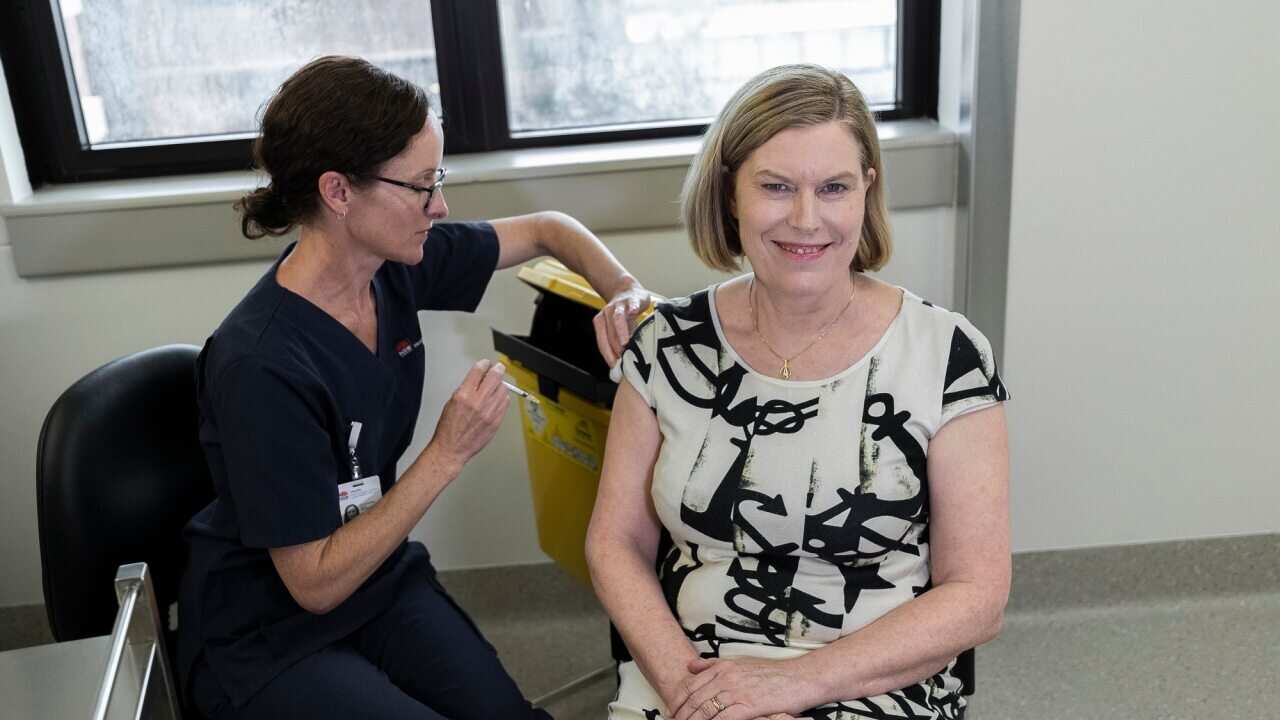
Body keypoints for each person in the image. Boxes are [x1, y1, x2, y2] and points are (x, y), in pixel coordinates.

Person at [177, 55, 649, 720]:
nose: (441, 205)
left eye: (441, 179)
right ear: (339, 193)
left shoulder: (395, 266)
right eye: (422, 186)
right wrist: (446, 454)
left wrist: (625, 290)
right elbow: (312, 584)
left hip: (376, 580)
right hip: (269, 629)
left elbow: (551, 231)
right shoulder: (260, 363)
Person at [586, 64, 1011, 720]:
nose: (806, 219)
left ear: (867, 191)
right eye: (776, 187)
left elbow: (979, 594)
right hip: (695, 670)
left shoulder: (947, 355)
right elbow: (615, 543)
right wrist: (692, 691)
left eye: (834, 187)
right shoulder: (667, 345)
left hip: (877, 675)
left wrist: (790, 685)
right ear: (731, 193)